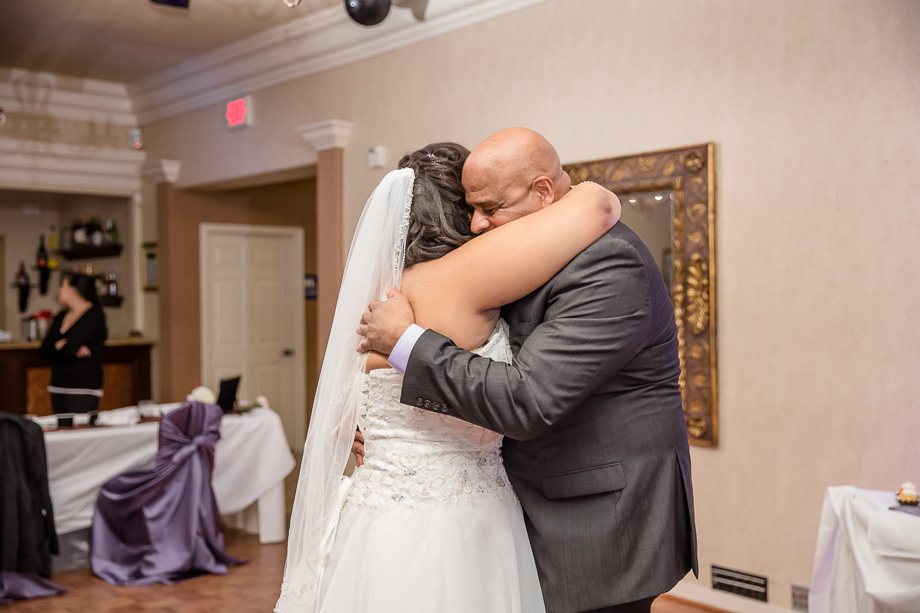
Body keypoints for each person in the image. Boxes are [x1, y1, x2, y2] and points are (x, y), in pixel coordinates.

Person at [357, 128, 698, 613]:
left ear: (542, 191)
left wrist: (407, 345)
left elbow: (528, 400)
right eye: (470, 209)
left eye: (490, 208)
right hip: (520, 504)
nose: (476, 225)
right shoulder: (526, 254)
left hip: (598, 518)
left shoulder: (608, 263)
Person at [275, 142, 620, 613]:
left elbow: (360, 395)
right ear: (457, 210)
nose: (481, 221)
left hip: (375, 513)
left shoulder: (386, 286)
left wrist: (361, 426)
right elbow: (599, 205)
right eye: (475, 206)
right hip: (452, 521)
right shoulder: (462, 276)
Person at [39, 273, 108, 414]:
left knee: (81, 432)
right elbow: (44, 350)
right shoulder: (60, 316)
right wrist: (64, 347)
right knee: (62, 433)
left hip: (83, 387)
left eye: (62, 286)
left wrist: (61, 347)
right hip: (58, 385)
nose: (58, 290)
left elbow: (70, 346)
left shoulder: (94, 314)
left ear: (74, 290)